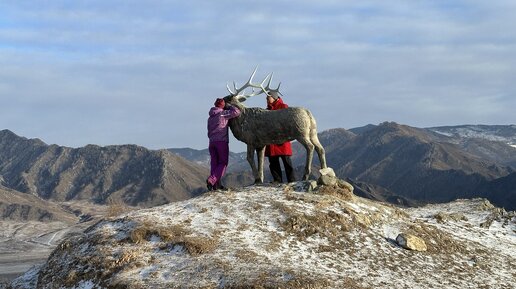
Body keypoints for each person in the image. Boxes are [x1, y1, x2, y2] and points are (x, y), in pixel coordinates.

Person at [206, 98, 240, 191]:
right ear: (222, 105)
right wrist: (229, 106)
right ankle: (211, 180)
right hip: (221, 142)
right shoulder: (223, 114)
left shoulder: (210, 117)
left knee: (214, 163)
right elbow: (237, 112)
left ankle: (215, 186)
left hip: (211, 142)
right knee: (223, 163)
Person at [265, 91, 295, 183]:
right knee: (273, 162)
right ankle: (277, 180)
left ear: (274, 97)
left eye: (268, 97)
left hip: (282, 139)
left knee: (286, 161)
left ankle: (291, 181)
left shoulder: (284, 107)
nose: (266, 99)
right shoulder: (267, 110)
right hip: (271, 140)